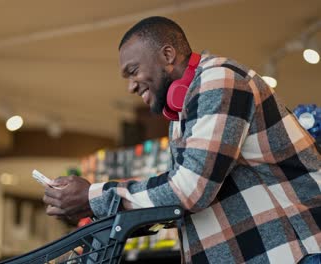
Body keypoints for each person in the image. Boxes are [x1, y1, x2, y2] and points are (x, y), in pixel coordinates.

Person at [43, 16, 321, 263]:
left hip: (295, 252)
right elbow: (182, 201)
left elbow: (189, 190)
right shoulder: (182, 115)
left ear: (167, 54)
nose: (130, 86)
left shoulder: (219, 80)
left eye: (133, 71)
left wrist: (95, 197)